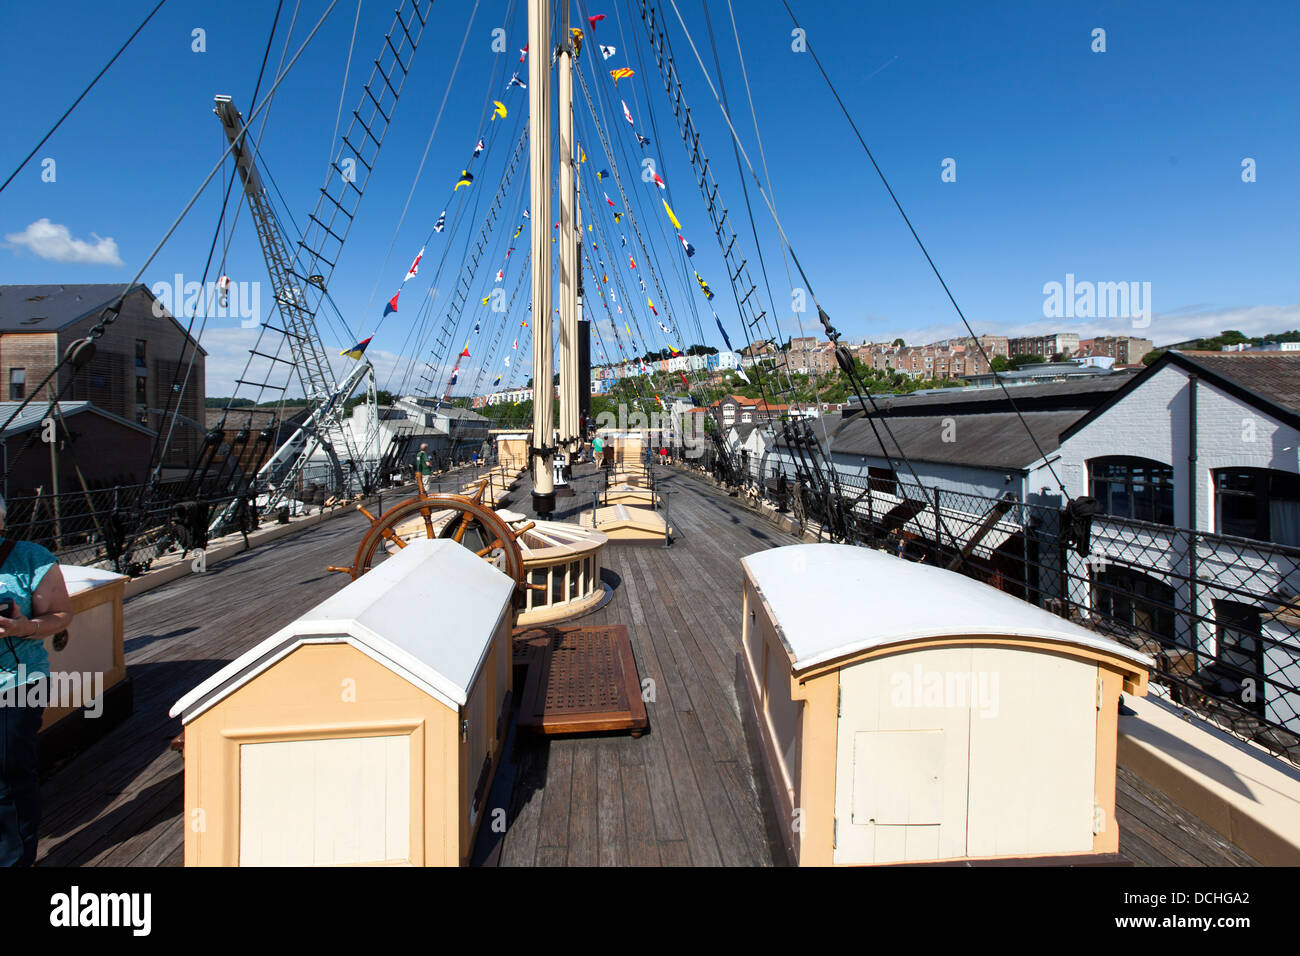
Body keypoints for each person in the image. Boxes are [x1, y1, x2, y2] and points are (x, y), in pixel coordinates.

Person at [0, 495, 73, 867]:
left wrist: (21, 627)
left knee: (8, 778)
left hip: (16, 681)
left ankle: (14, 861)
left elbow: (61, 615)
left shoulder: (30, 557)